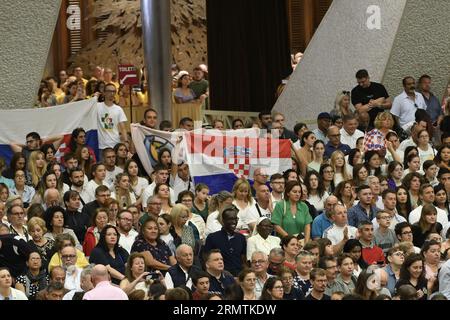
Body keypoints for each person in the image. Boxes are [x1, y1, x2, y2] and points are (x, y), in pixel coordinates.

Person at [203, 206, 247, 277]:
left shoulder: (241, 238)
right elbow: (206, 259)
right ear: (223, 220)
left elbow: (243, 260)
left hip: (238, 276)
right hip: (218, 275)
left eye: (235, 219)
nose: (234, 222)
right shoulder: (212, 237)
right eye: (230, 219)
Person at [96, 83, 128, 151]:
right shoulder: (97, 106)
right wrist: (95, 98)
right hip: (101, 146)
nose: (112, 93)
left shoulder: (118, 109)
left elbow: (123, 128)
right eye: (109, 91)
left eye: (114, 91)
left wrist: (126, 141)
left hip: (115, 144)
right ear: (104, 93)